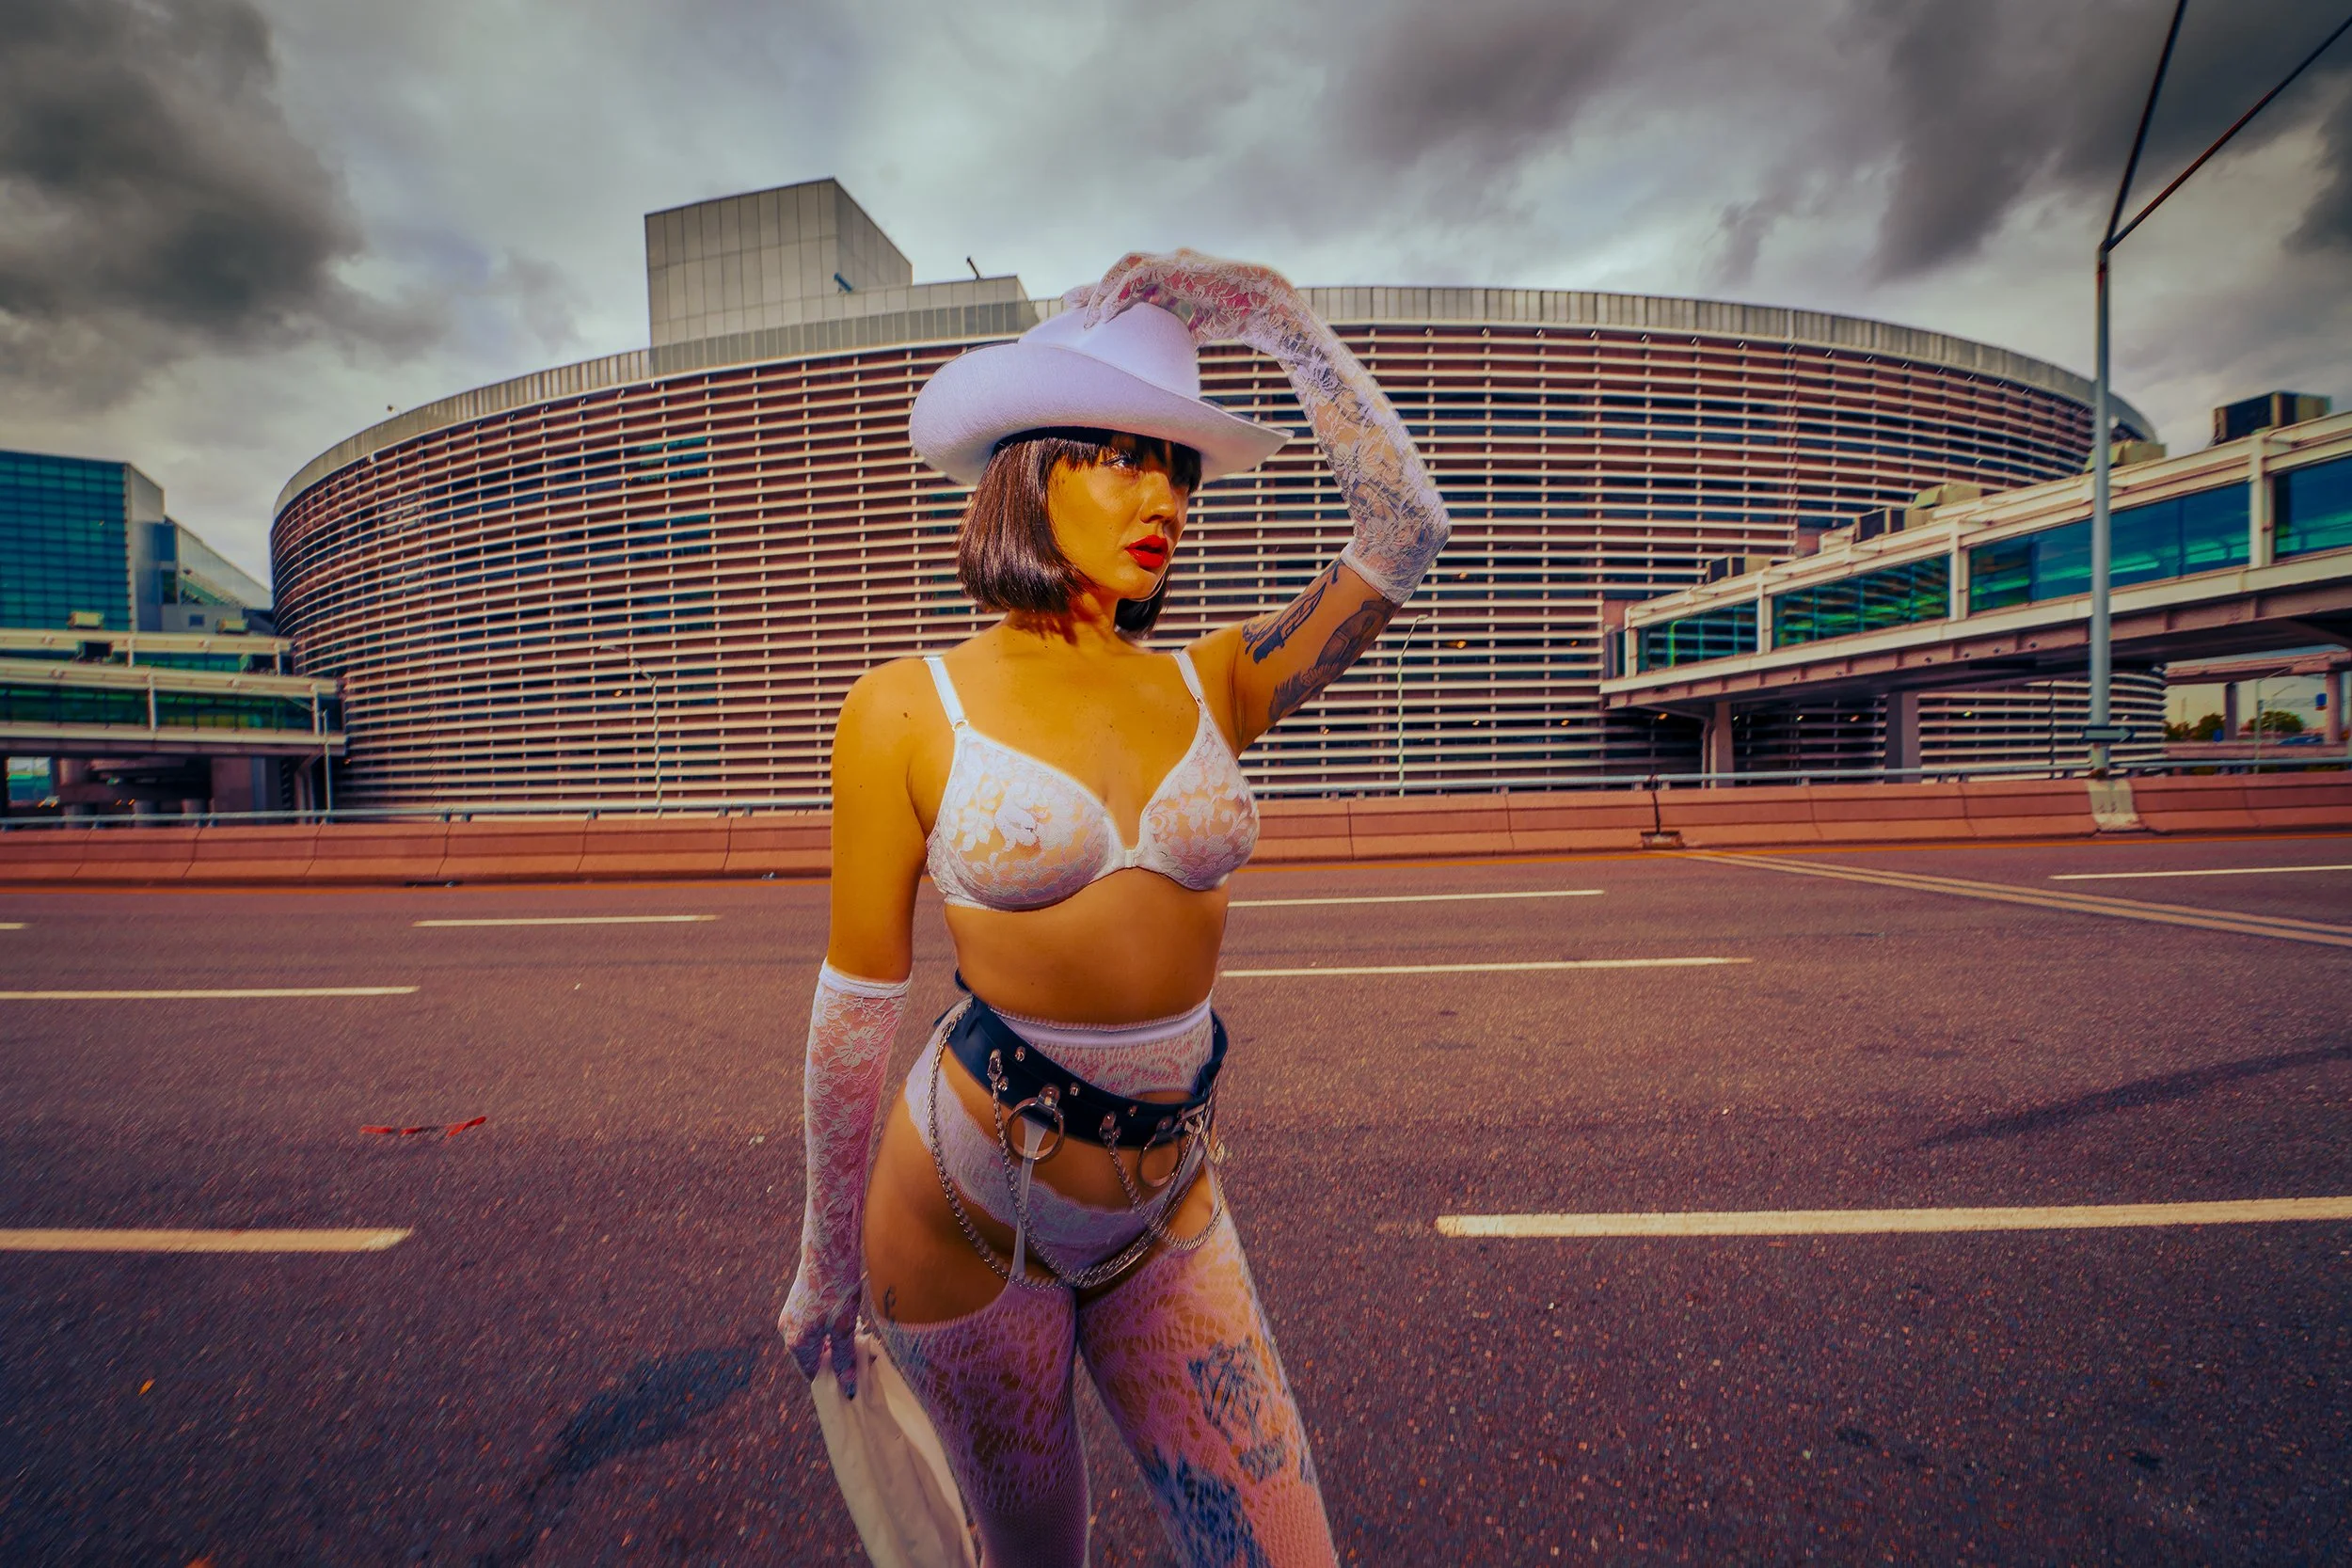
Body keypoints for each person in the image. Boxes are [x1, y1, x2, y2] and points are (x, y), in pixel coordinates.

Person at [780, 250, 1450, 1567]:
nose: (1166, 499)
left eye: (1182, 469)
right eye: (1125, 457)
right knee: (1042, 1559)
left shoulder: (1218, 683)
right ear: (1030, 469)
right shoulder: (907, 705)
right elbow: (858, 1002)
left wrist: (1275, 316)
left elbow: (1404, 533)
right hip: (967, 1213)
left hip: (1168, 1194)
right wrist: (823, 1264)